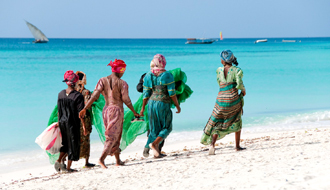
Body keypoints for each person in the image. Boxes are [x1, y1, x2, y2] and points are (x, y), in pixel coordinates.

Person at [79, 59, 139, 169]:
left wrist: (85, 108)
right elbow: (126, 99)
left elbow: (95, 96)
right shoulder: (122, 83)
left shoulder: (102, 80)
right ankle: (101, 159)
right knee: (112, 136)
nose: (124, 73)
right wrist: (134, 112)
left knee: (115, 135)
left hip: (106, 110)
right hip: (116, 110)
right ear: (121, 70)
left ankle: (117, 160)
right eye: (123, 70)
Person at [200, 50, 246, 155]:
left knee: (218, 122)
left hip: (220, 100)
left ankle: (212, 144)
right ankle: (237, 146)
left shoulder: (218, 70)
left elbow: (219, 83)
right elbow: (239, 84)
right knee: (237, 119)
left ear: (223, 61)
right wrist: (243, 91)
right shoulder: (237, 70)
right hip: (232, 99)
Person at [140, 54, 181, 158]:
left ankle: (151, 149)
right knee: (167, 127)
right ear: (163, 62)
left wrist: (142, 108)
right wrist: (177, 106)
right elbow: (172, 93)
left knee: (154, 129)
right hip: (163, 103)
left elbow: (145, 94)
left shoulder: (148, 75)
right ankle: (154, 144)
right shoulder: (167, 75)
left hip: (151, 104)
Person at [54, 70, 87, 172]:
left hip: (62, 123)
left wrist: (58, 123)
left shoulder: (60, 94)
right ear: (76, 82)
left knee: (65, 143)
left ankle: (59, 160)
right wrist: (84, 127)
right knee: (73, 144)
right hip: (73, 124)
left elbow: (59, 111)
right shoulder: (78, 96)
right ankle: (67, 167)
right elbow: (81, 114)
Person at [137, 73, 165, 157]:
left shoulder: (146, 76)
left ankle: (152, 148)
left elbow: (139, 88)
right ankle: (155, 150)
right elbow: (139, 88)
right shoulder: (148, 76)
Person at [75, 71, 95, 167]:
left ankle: (67, 160)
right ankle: (86, 162)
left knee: (73, 138)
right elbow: (87, 105)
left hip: (73, 118)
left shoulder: (71, 91)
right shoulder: (86, 92)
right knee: (86, 139)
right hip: (84, 117)